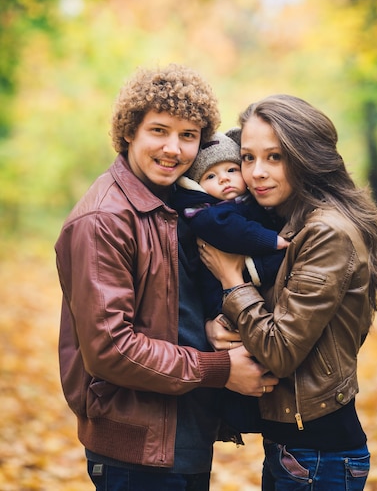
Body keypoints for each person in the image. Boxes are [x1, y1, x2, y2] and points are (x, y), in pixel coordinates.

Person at [55, 64, 278, 491]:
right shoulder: (105, 218)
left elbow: (176, 305)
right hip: (136, 450)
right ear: (129, 132)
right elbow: (110, 348)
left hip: (182, 435)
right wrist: (220, 369)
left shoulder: (175, 205)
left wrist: (212, 324)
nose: (173, 148)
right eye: (159, 130)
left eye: (188, 135)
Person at [199, 94, 377, 491]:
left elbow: (280, 349)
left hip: (320, 453)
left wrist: (231, 281)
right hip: (295, 447)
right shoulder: (288, 223)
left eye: (275, 157)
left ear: (305, 155)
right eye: (249, 157)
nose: (256, 172)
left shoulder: (326, 232)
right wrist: (214, 328)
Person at [172, 130, 289, 320]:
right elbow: (232, 229)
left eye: (231, 170)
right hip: (221, 295)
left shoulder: (251, 199)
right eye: (210, 176)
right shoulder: (206, 213)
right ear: (197, 186)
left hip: (251, 283)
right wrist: (272, 240)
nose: (223, 179)